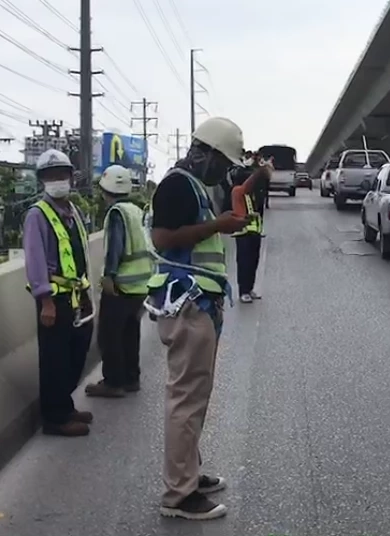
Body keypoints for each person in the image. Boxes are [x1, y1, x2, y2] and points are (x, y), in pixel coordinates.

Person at [147, 117, 247, 521]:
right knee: (186, 399)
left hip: (198, 301)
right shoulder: (176, 185)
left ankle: (188, 473)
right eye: (222, 162)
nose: (223, 170)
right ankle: (178, 494)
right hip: (186, 302)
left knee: (195, 397)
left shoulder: (196, 187)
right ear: (204, 152)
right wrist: (218, 226)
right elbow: (163, 239)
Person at [22, 149, 94, 437]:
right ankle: (54, 417)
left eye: (61, 175)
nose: (57, 180)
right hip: (54, 300)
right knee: (54, 359)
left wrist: (87, 292)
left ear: (70, 178)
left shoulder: (72, 212)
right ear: (42, 181)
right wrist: (46, 302)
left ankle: (65, 404)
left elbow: (81, 254)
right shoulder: (37, 215)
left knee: (76, 353)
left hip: (77, 295)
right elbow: (35, 260)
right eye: (51, 176)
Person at [85, 165, 153, 398]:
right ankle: (131, 378)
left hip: (122, 284)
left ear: (105, 190)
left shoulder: (117, 213)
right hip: (141, 284)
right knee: (130, 333)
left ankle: (113, 382)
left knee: (109, 334)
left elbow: (116, 246)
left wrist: (109, 276)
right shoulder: (136, 210)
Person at [229, 159, 271, 303]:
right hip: (243, 233)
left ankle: (249, 289)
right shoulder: (237, 191)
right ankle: (243, 291)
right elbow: (247, 185)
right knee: (244, 263)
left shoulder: (250, 195)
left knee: (254, 262)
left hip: (254, 232)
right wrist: (260, 171)